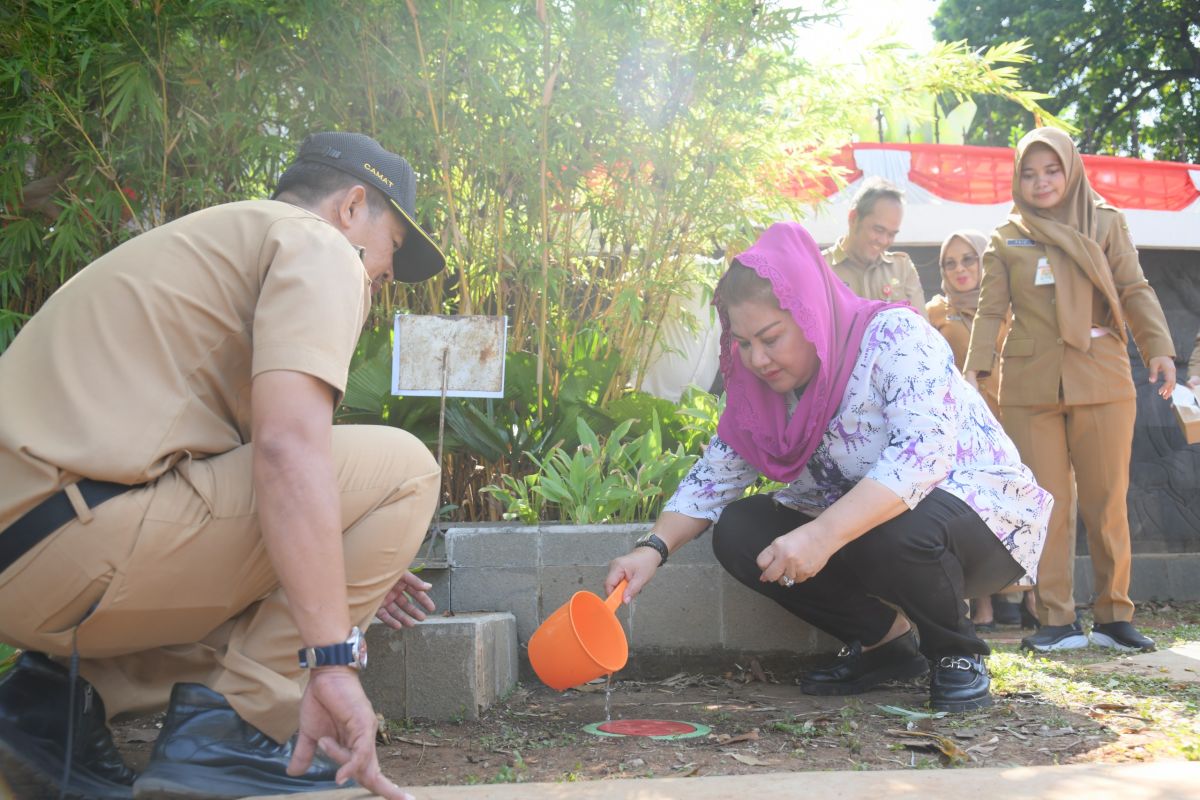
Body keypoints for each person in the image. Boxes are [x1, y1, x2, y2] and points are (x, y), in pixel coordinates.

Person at [0, 132, 446, 800]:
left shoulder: (212, 242)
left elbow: (232, 470)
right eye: (391, 254)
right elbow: (287, 452)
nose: (381, 278)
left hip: (33, 558)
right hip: (79, 550)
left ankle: (51, 705)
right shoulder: (320, 246)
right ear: (354, 206)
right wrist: (329, 661)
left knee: (302, 566)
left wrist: (337, 551)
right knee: (408, 470)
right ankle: (239, 727)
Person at [606, 222, 1051, 712]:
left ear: (809, 313)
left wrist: (820, 536)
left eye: (771, 337)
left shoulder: (894, 337)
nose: (758, 359)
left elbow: (920, 457)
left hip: (982, 519)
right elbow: (713, 478)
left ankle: (957, 653)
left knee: (893, 522)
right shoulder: (768, 393)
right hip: (873, 530)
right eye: (744, 344)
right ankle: (886, 644)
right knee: (740, 529)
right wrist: (651, 549)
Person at [964, 127, 1176, 654]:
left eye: (1051, 170)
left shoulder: (1106, 223)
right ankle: (1055, 620)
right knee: (1048, 506)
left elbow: (1133, 288)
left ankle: (1113, 616)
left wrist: (1159, 348)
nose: (1041, 182)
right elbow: (992, 309)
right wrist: (975, 370)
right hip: (1030, 385)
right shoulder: (1006, 235)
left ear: (1071, 171)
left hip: (1102, 376)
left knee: (1108, 503)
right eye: (1030, 173)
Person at [821, 177, 928, 319]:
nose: (884, 241)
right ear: (853, 218)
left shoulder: (902, 268)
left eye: (891, 234)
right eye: (878, 230)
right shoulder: (821, 269)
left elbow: (922, 329)